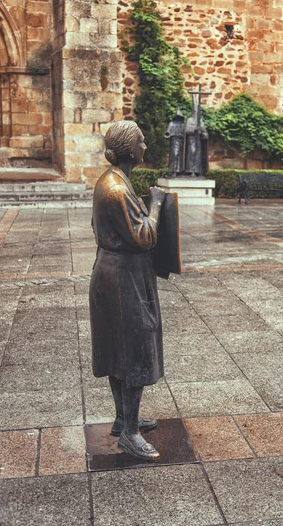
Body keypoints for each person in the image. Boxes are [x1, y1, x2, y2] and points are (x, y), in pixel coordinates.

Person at [89, 120, 166, 462]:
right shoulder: (116, 189)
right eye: (142, 141)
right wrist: (158, 204)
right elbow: (144, 236)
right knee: (132, 351)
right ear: (129, 149)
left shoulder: (114, 180)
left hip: (117, 273)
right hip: (121, 278)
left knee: (120, 350)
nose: (145, 146)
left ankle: (124, 419)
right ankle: (130, 435)